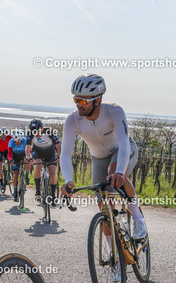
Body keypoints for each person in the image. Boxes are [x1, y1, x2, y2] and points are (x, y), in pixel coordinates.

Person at [60, 74, 147, 240]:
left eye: (83, 101)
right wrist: (68, 181)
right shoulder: (73, 120)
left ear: (97, 100)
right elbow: (65, 154)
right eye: (76, 100)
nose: (78, 104)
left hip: (123, 151)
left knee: (114, 172)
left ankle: (138, 219)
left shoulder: (114, 111)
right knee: (105, 209)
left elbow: (124, 143)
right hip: (98, 158)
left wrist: (120, 172)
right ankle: (114, 253)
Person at [27, 119, 60, 202]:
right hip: (38, 152)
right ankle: (37, 192)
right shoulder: (30, 133)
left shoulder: (49, 132)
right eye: (34, 132)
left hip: (50, 153)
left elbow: (58, 145)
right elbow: (27, 148)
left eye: (37, 132)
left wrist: (59, 156)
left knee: (52, 172)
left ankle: (53, 195)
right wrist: (29, 158)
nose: (36, 134)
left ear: (42, 128)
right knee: (38, 167)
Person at [7, 133, 29, 202]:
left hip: (24, 154)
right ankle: (15, 192)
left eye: (18, 142)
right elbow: (9, 154)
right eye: (15, 142)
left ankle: (27, 176)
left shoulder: (25, 141)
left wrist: (27, 157)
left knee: (28, 162)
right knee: (16, 174)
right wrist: (11, 159)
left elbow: (29, 151)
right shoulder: (11, 142)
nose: (16, 143)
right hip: (15, 156)